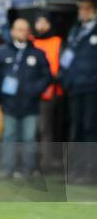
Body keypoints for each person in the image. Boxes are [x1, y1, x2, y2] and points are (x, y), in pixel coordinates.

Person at [0, 18, 51, 178]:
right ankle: (9, 169)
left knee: (29, 137)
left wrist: (34, 90)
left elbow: (47, 76)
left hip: (31, 104)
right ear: (12, 31)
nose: (22, 32)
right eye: (19, 29)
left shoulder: (37, 53)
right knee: (9, 136)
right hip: (9, 103)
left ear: (29, 32)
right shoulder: (2, 51)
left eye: (25, 29)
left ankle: (29, 169)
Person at [60, 0, 97, 183]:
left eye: (86, 8)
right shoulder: (75, 31)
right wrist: (64, 78)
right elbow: (66, 58)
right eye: (80, 8)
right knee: (77, 129)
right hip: (75, 87)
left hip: (92, 89)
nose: (82, 12)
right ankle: (77, 170)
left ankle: (91, 171)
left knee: (90, 129)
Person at [32, 13, 65, 171]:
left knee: (45, 129)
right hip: (31, 93)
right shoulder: (32, 41)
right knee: (32, 129)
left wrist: (53, 81)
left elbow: (62, 66)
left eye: (43, 22)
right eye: (38, 21)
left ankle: (45, 164)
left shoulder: (57, 42)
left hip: (50, 91)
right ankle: (30, 162)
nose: (40, 25)